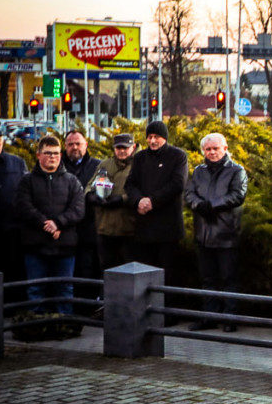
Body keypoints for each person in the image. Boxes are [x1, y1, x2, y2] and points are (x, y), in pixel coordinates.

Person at [14, 136, 85, 323]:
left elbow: (78, 209)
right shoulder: (27, 181)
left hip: (65, 246)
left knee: (65, 289)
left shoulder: (72, 181)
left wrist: (59, 223)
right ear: (38, 155)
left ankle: (64, 324)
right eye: (48, 153)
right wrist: (46, 224)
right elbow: (24, 206)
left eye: (55, 153)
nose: (52, 157)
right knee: (35, 289)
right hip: (35, 245)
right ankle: (37, 325)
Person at [185, 133, 248, 332]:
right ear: (203, 151)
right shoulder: (198, 171)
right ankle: (209, 317)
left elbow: (238, 195)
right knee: (207, 279)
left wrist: (211, 206)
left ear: (225, 148)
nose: (212, 152)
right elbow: (189, 193)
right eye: (208, 149)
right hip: (203, 234)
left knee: (229, 278)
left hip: (226, 234)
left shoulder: (237, 170)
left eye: (216, 148)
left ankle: (230, 318)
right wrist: (198, 205)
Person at [124, 121, 189, 280]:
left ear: (165, 138)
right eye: (150, 137)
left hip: (168, 228)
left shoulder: (178, 156)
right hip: (144, 228)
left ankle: (166, 305)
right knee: (145, 275)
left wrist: (152, 201)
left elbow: (177, 184)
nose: (153, 141)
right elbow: (130, 184)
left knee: (168, 275)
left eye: (157, 137)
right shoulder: (140, 157)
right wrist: (138, 200)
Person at [61, 130, 101, 313]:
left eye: (78, 143)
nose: (74, 147)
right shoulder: (57, 164)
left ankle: (86, 310)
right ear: (65, 146)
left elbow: (104, 191)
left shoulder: (98, 166)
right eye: (70, 144)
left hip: (88, 231)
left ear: (86, 145)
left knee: (87, 271)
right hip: (62, 231)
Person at [86, 133, 138, 270]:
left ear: (133, 147)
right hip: (105, 227)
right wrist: (91, 195)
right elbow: (90, 185)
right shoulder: (105, 165)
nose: (121, 151)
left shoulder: (138, 165)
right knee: (106, 269)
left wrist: (122, 199)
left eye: (125, 148)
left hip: (129, 228)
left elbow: (144, 191)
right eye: (118, 148)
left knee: (130, 270)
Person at [0, 126, 28, 281]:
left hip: (13, 230)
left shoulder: (17, 163)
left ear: (3, 141)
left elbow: (25, 191)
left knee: (13, 271)